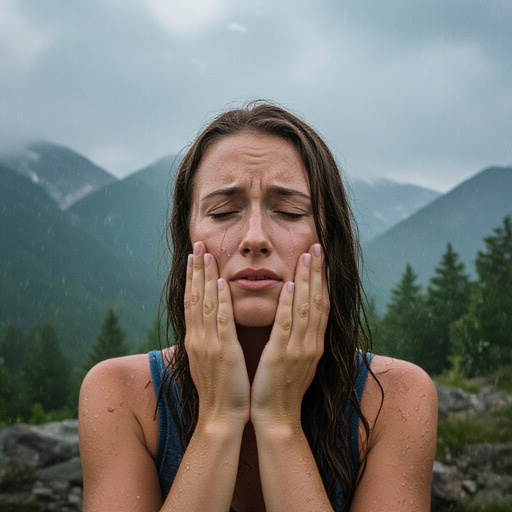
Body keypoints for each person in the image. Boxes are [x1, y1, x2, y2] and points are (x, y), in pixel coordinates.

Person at [78, 102, 438, 511]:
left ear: (329, 240)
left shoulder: (396, 398)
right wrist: (218, 419)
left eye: (288, 211)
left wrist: (279, 421)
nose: (255, 237)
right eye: (222, 212)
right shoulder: (121, 395)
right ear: (187, 239)